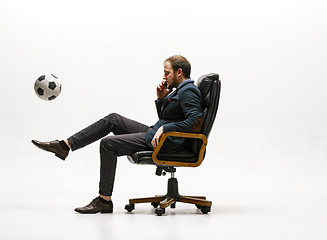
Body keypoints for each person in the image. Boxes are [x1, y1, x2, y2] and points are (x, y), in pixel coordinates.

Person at [31, 55, 203, 214]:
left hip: (166, 142)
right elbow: (168, 117)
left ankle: (104, 200)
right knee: (113, 119)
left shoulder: (188, 91)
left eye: (167, 73)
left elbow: (195, 122)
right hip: (157, 134)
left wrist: (166, 129)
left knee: (108, 144)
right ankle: (64, 146)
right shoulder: (180, 91)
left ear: (179, 72)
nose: (164, 77)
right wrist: (161, 99)